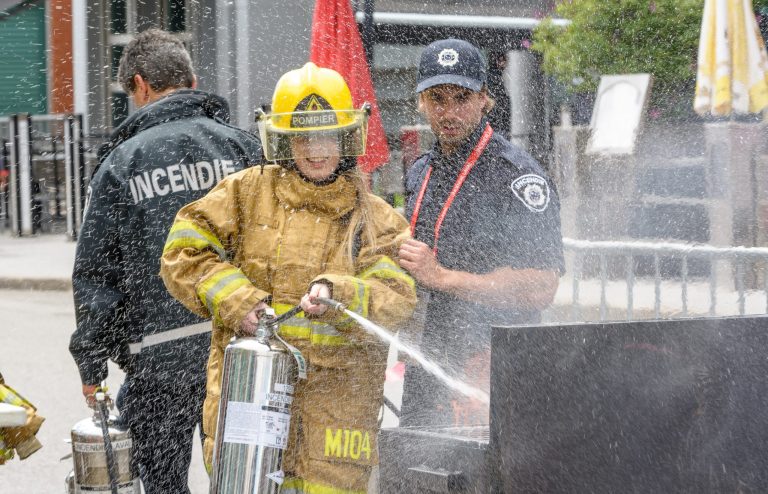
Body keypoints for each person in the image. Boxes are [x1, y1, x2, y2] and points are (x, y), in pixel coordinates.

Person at [160, 62, 417, 493]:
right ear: (282, 139)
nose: (315, 150)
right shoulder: (244, 193)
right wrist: (237, 300)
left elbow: (396, 296)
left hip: (334, 427)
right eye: (302, 138)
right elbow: (183, 251)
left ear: (347, 137)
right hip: (248, 416)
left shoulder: (376, 219)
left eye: (327, 136)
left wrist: (339, 294)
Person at [68, 29, 262, 493]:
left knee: (161, 484)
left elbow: (96, 274)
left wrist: (92, 364)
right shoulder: (244, 148)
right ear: (192, 81)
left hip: (158, 364)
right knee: (244, 479)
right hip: (241, 352)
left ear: (140, 85)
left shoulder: (121, 164)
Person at [398, 39, 564, 427]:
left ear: (484, 99)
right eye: (437, 99)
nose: (449, 112)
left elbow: (542, 287)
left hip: (491, 365)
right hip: (428, 362)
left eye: (462, 98)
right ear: (421, 102)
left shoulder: (517, 177)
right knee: (414, 461)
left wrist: (442, 277)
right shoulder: (420, 171)